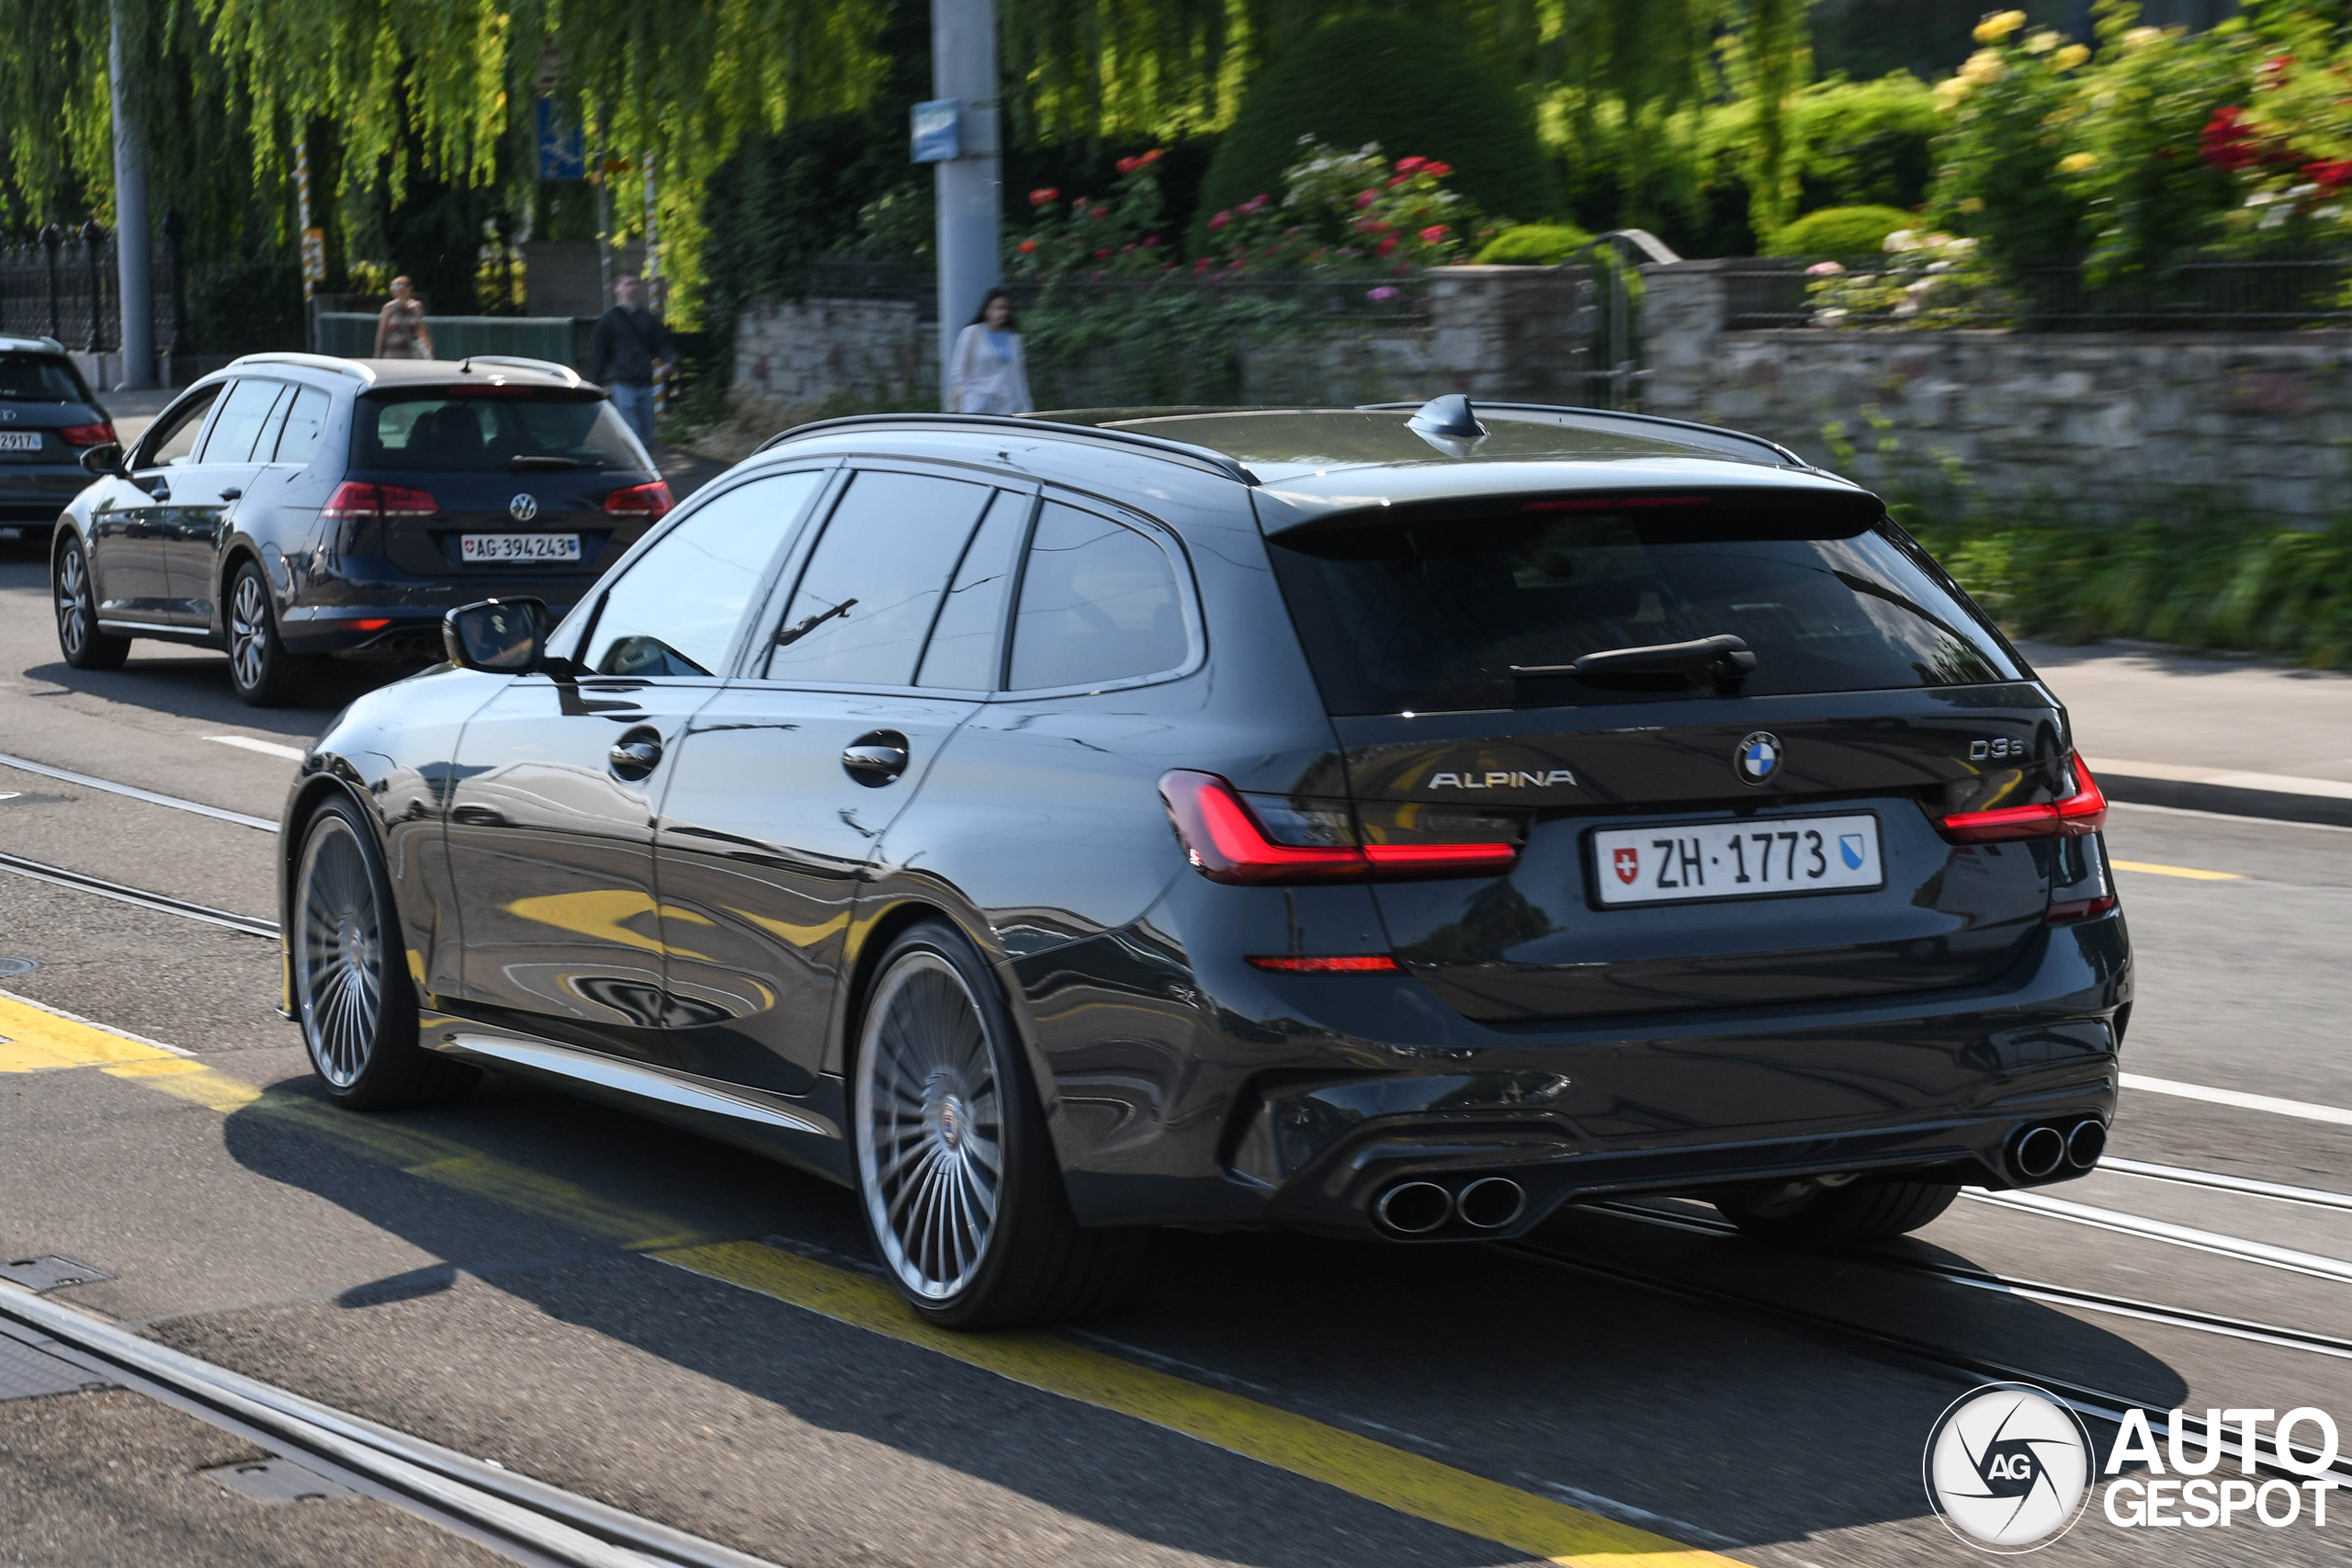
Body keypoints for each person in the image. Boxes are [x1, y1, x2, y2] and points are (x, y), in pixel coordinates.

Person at [590, 273, 677, 449]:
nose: (632, 288)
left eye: (635, 284)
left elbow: (661, 342)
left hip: (645, 383)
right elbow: (599, 354)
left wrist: (667, 360)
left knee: (647, 437)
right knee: (633, 436)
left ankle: (643, 472)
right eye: (628, 284)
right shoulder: (608, 320)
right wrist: (594, 385)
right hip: (623, 384)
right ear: (617, 288)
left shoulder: (647, 318)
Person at [948, 288, 1031, 414]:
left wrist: (1025, 406)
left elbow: (1018, 376)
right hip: (975, 402)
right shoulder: (972, 333)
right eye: (998, 308)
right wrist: (965, 394)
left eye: (1005, 308)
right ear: (987, 310)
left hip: (1004, 403)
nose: (1002, 312)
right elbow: (958, 370)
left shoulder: (1013, 338)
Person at [373, 276, 434, 359]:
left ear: (409, 289)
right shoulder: (388, 308)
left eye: (400, 286)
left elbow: (422, 331)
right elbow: (382, 333)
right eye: (394, 287)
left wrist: (429, 352)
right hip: (392, 354)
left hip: (411, 354)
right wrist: (378, 354)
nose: (398, 290)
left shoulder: (416, 306)